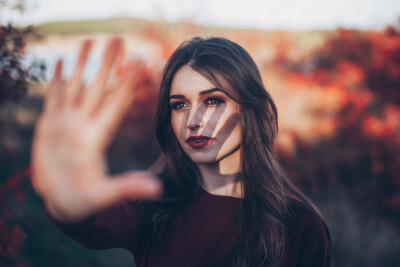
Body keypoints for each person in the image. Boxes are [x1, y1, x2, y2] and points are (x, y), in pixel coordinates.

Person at [31, 36, 333, 267]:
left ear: (251, 108)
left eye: (213, 100)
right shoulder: (154, 204)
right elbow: (88, 218)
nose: (193, 120)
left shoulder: (300, 225)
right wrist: (65, 201)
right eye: (180, 105)